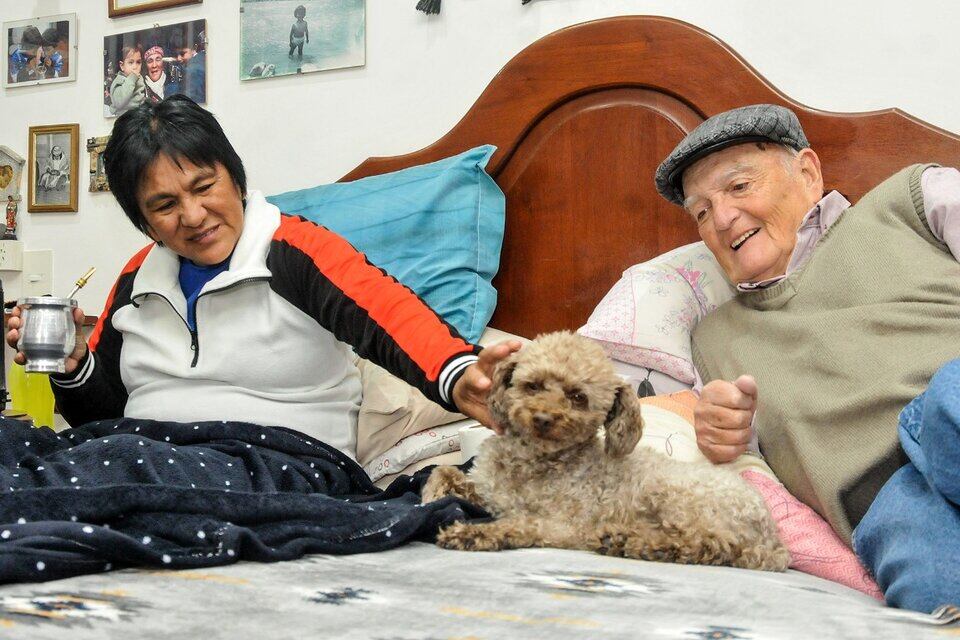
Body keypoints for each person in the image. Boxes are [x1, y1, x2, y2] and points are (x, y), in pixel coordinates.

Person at [5, 94, 518, 463]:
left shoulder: (293, 250)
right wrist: (74, 366)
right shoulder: (139, 275)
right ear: (143, 221)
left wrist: (458, 376)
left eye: (204, 186)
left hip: (281, 462)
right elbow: (106, 413)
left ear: (237, 179)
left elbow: (389, 316)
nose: (193, 214)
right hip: (145, 456)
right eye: (164, 205)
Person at [653, 104, 960, 612]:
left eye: (738, 187)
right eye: (701, 212)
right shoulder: (713, 340)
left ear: (808, 173)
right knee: (937, 591)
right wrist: (718, 433)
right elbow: (721, 449)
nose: (722, 218)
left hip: (951, 403)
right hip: (887, 501)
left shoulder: (913, 200)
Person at [109, 45, 145, 116]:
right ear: (122, 66)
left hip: (138, 114)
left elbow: (140, 97)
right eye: (131, 62)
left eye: (138, 62)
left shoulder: (139, 78)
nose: (135, 67)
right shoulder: (119, 80)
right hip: (122, 116)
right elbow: (119, 102)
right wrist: (131, 79)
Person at [171, 30, 205, 104]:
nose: (178, 58)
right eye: (176, 54)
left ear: (194, 49)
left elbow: (190, 100)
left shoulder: (192, 70)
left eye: (182, 54)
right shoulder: (204, 60)